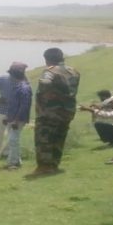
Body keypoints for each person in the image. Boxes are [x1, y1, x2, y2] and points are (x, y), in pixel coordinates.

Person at [30, 47, 80, 176]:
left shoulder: (50, 71)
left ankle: (44, 166)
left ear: (47, 59)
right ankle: (54, 164)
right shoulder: (73, 71)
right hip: (67, 111)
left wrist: (49, 94)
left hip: (50, 111)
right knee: (59, 138)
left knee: (44, 139)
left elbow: (45, 82)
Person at [3, 63, 32, 170]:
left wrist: (16, 120)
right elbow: (12, 104)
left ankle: (13, 163)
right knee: (12, 140)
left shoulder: (23, 88)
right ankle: (16, 161)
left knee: (13, 140)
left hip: (18, 118)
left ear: (14, 75)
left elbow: (24, 105)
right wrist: (7, 117)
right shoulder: (17, 86)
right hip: (13, 117)